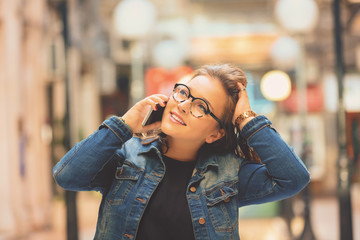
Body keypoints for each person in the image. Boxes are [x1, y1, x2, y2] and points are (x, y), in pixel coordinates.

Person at [53, 63, 310, 240]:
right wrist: (123, 125)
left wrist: (246, 119)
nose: (184, 105)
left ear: (215, 133)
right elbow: (67, 176)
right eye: (183, 93)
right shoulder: (127, 157)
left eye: (201, 107)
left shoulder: (229, 174)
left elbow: (293, 178)